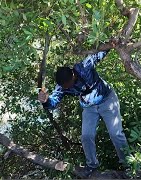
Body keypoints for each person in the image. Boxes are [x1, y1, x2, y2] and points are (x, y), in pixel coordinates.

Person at [38, 50, 128, 178]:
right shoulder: (62, 86)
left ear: (73, 75)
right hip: (89, 107)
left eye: (68, 85)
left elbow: (99, 53)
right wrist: (46, 101)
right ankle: (92, 165)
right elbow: (53, 102)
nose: (66, 88)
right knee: (86, 136)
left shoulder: (84, 67)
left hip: (107, 100)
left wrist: (111, 43)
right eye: (64, 86)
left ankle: (129, 165)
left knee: (116, 134)